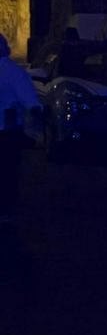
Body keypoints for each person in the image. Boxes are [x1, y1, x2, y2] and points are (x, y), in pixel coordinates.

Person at [0, 32, 44, 285]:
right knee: (7, 172)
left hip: (6, 131)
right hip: (7, 132)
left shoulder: (11, 72)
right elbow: (31, 102)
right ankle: (5, 211)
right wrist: (35, 128)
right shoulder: (14, 73)